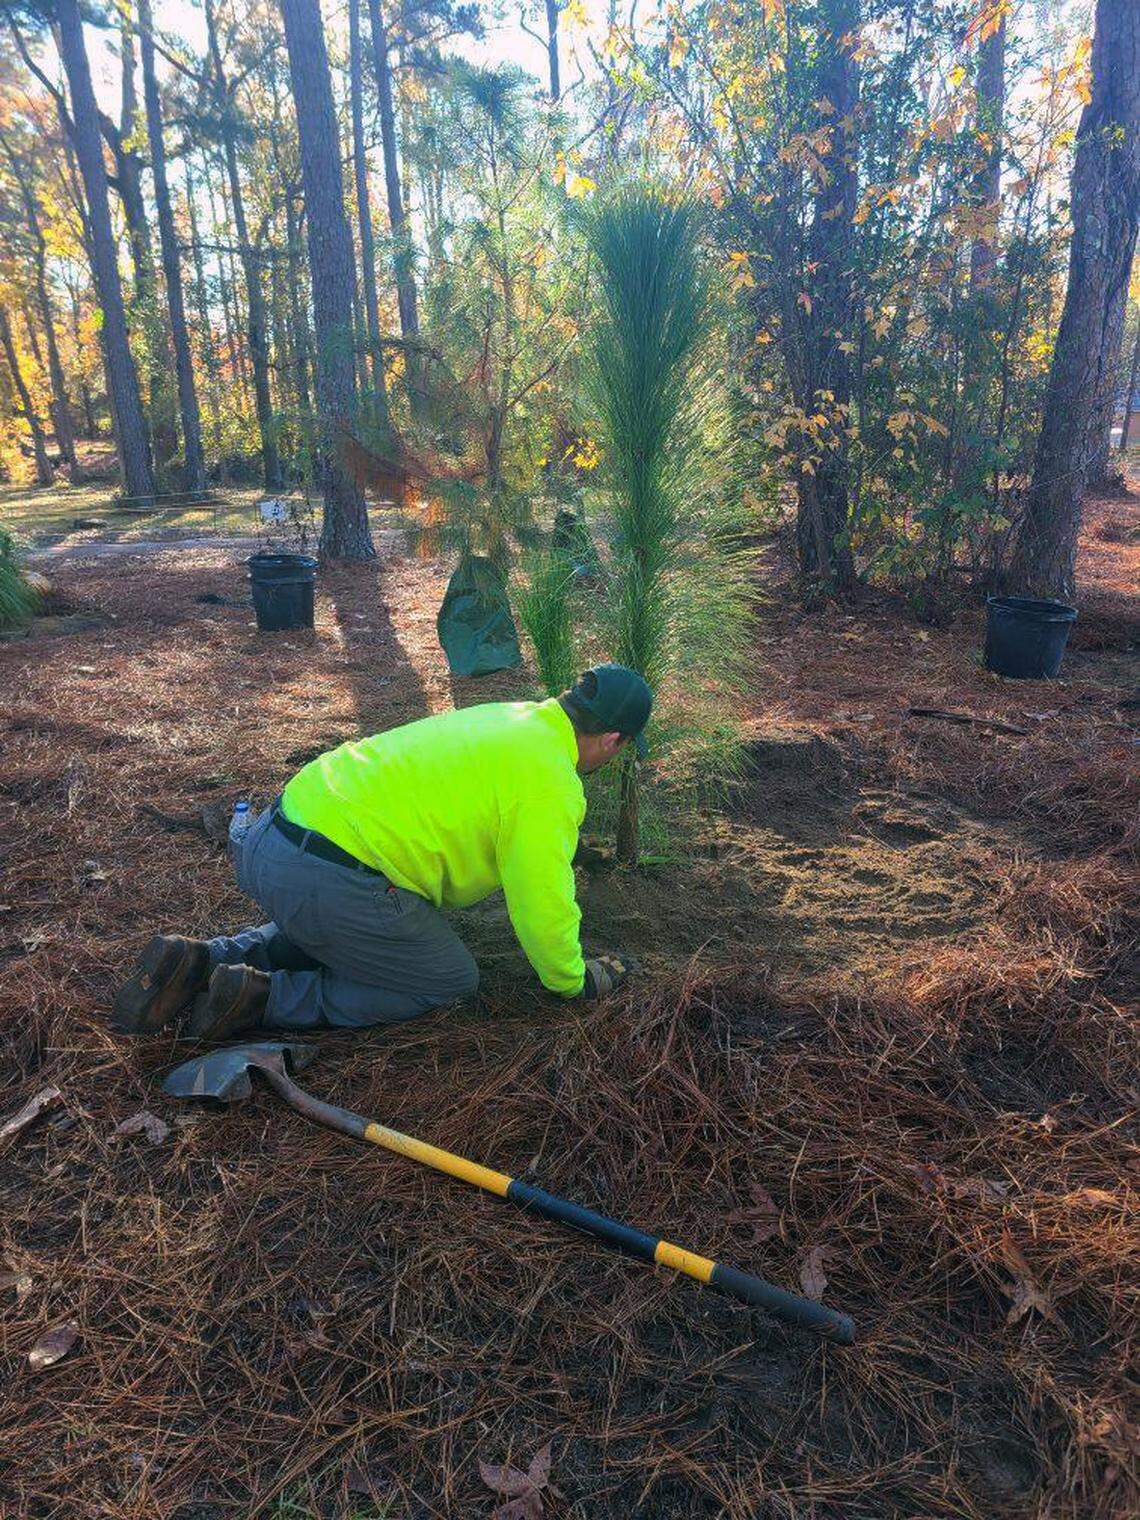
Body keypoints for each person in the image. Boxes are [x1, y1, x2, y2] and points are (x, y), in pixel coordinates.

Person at [112, 663, 652, 1042]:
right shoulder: (550, 780)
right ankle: (261, 998)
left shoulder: (511, 716)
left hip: (272, 837)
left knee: (357, 925)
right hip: (325, 878)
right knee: (447, 977)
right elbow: (542, 899)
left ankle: (207, 958)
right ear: (613, 740)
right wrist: (571, 980)